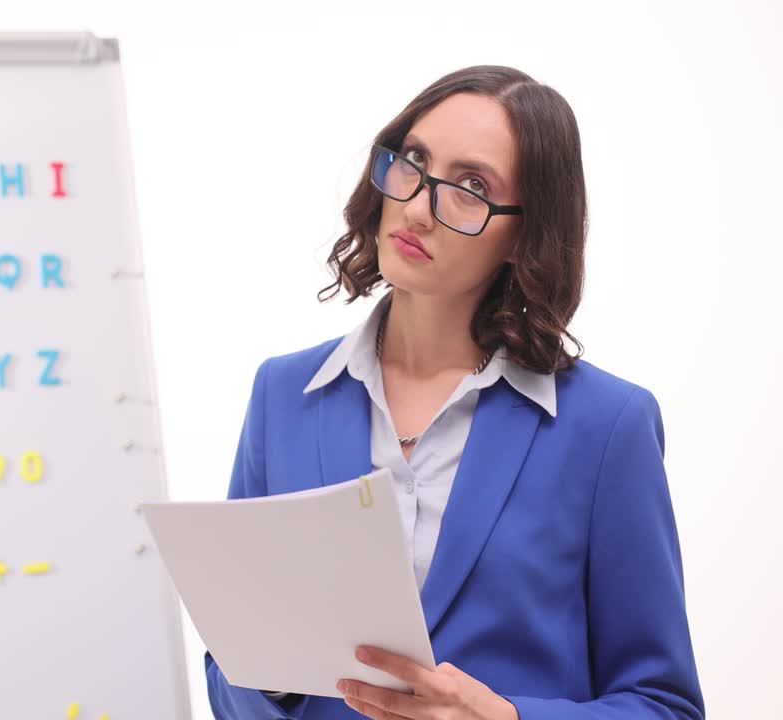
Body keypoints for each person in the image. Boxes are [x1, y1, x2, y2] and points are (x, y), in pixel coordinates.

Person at [203, 65, 704, 720]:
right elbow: (231, 664)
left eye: (471, 187)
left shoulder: (608, 427)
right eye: (413, 161)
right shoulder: (283, 395)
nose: (416, 207)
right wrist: (264, 673)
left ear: (523, 236)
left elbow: (664, 707)